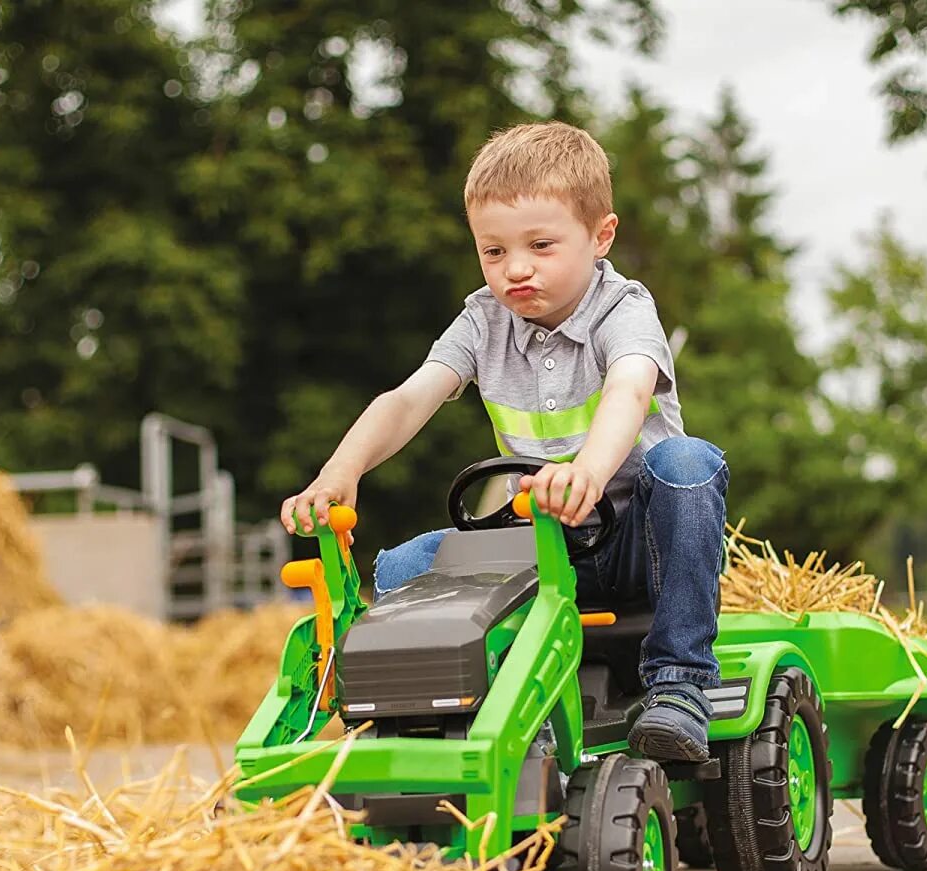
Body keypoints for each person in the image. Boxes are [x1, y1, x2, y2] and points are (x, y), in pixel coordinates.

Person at [279, 121, 727, 763]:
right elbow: (409, 399)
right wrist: (337, 473)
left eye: (541, 245)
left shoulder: (623, 309)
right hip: (542, 541)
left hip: (637, 540)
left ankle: (679, 687)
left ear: (601, 236)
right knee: (405, 567)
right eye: (493, 252)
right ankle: (433, 712)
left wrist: (587, 473)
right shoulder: (482, 322)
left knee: (689, 463)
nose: (515, 269)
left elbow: (630, 390)